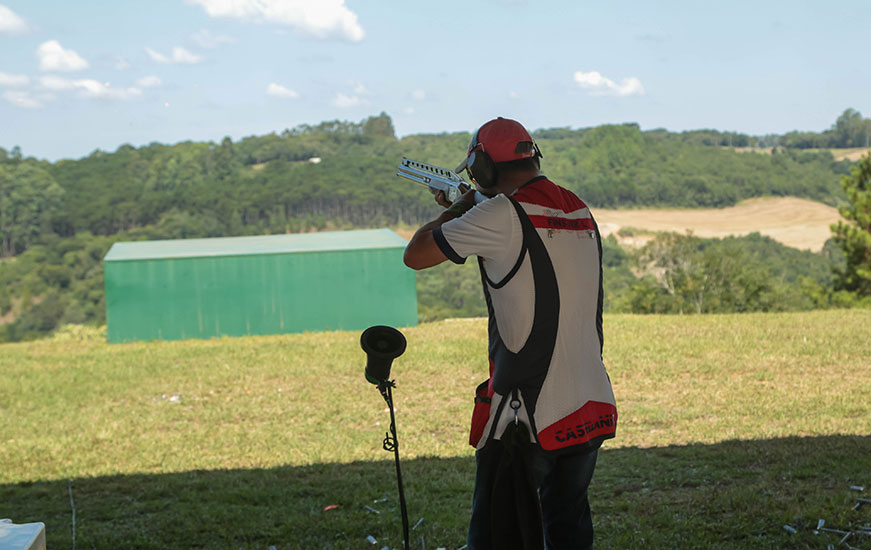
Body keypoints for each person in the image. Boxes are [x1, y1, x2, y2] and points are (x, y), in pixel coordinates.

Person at [403, 117, 618, 550]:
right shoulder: (579, 208)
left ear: (481, 168)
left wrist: (460, 206)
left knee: (495, 537)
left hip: (525, 415)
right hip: (588, 401)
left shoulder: (500, 213)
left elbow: (417, 254)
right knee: (568, 530)